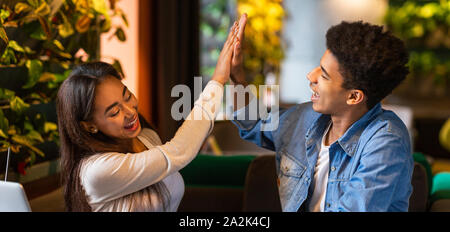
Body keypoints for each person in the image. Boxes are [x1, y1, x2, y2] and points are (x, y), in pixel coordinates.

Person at [56, 17, 243, 212]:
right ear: (89, 125)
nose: (129, 111)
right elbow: (179, 152)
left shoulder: (146, 137)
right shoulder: (96, 171)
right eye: (114, 112)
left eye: (127, 96)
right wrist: (218, 80)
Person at [230, 20, 414, 212]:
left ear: (353, 96)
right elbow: (255, 123)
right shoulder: (306, 118)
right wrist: (237, 76)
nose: (311, 76)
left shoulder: (386, 141)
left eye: (324, 75)